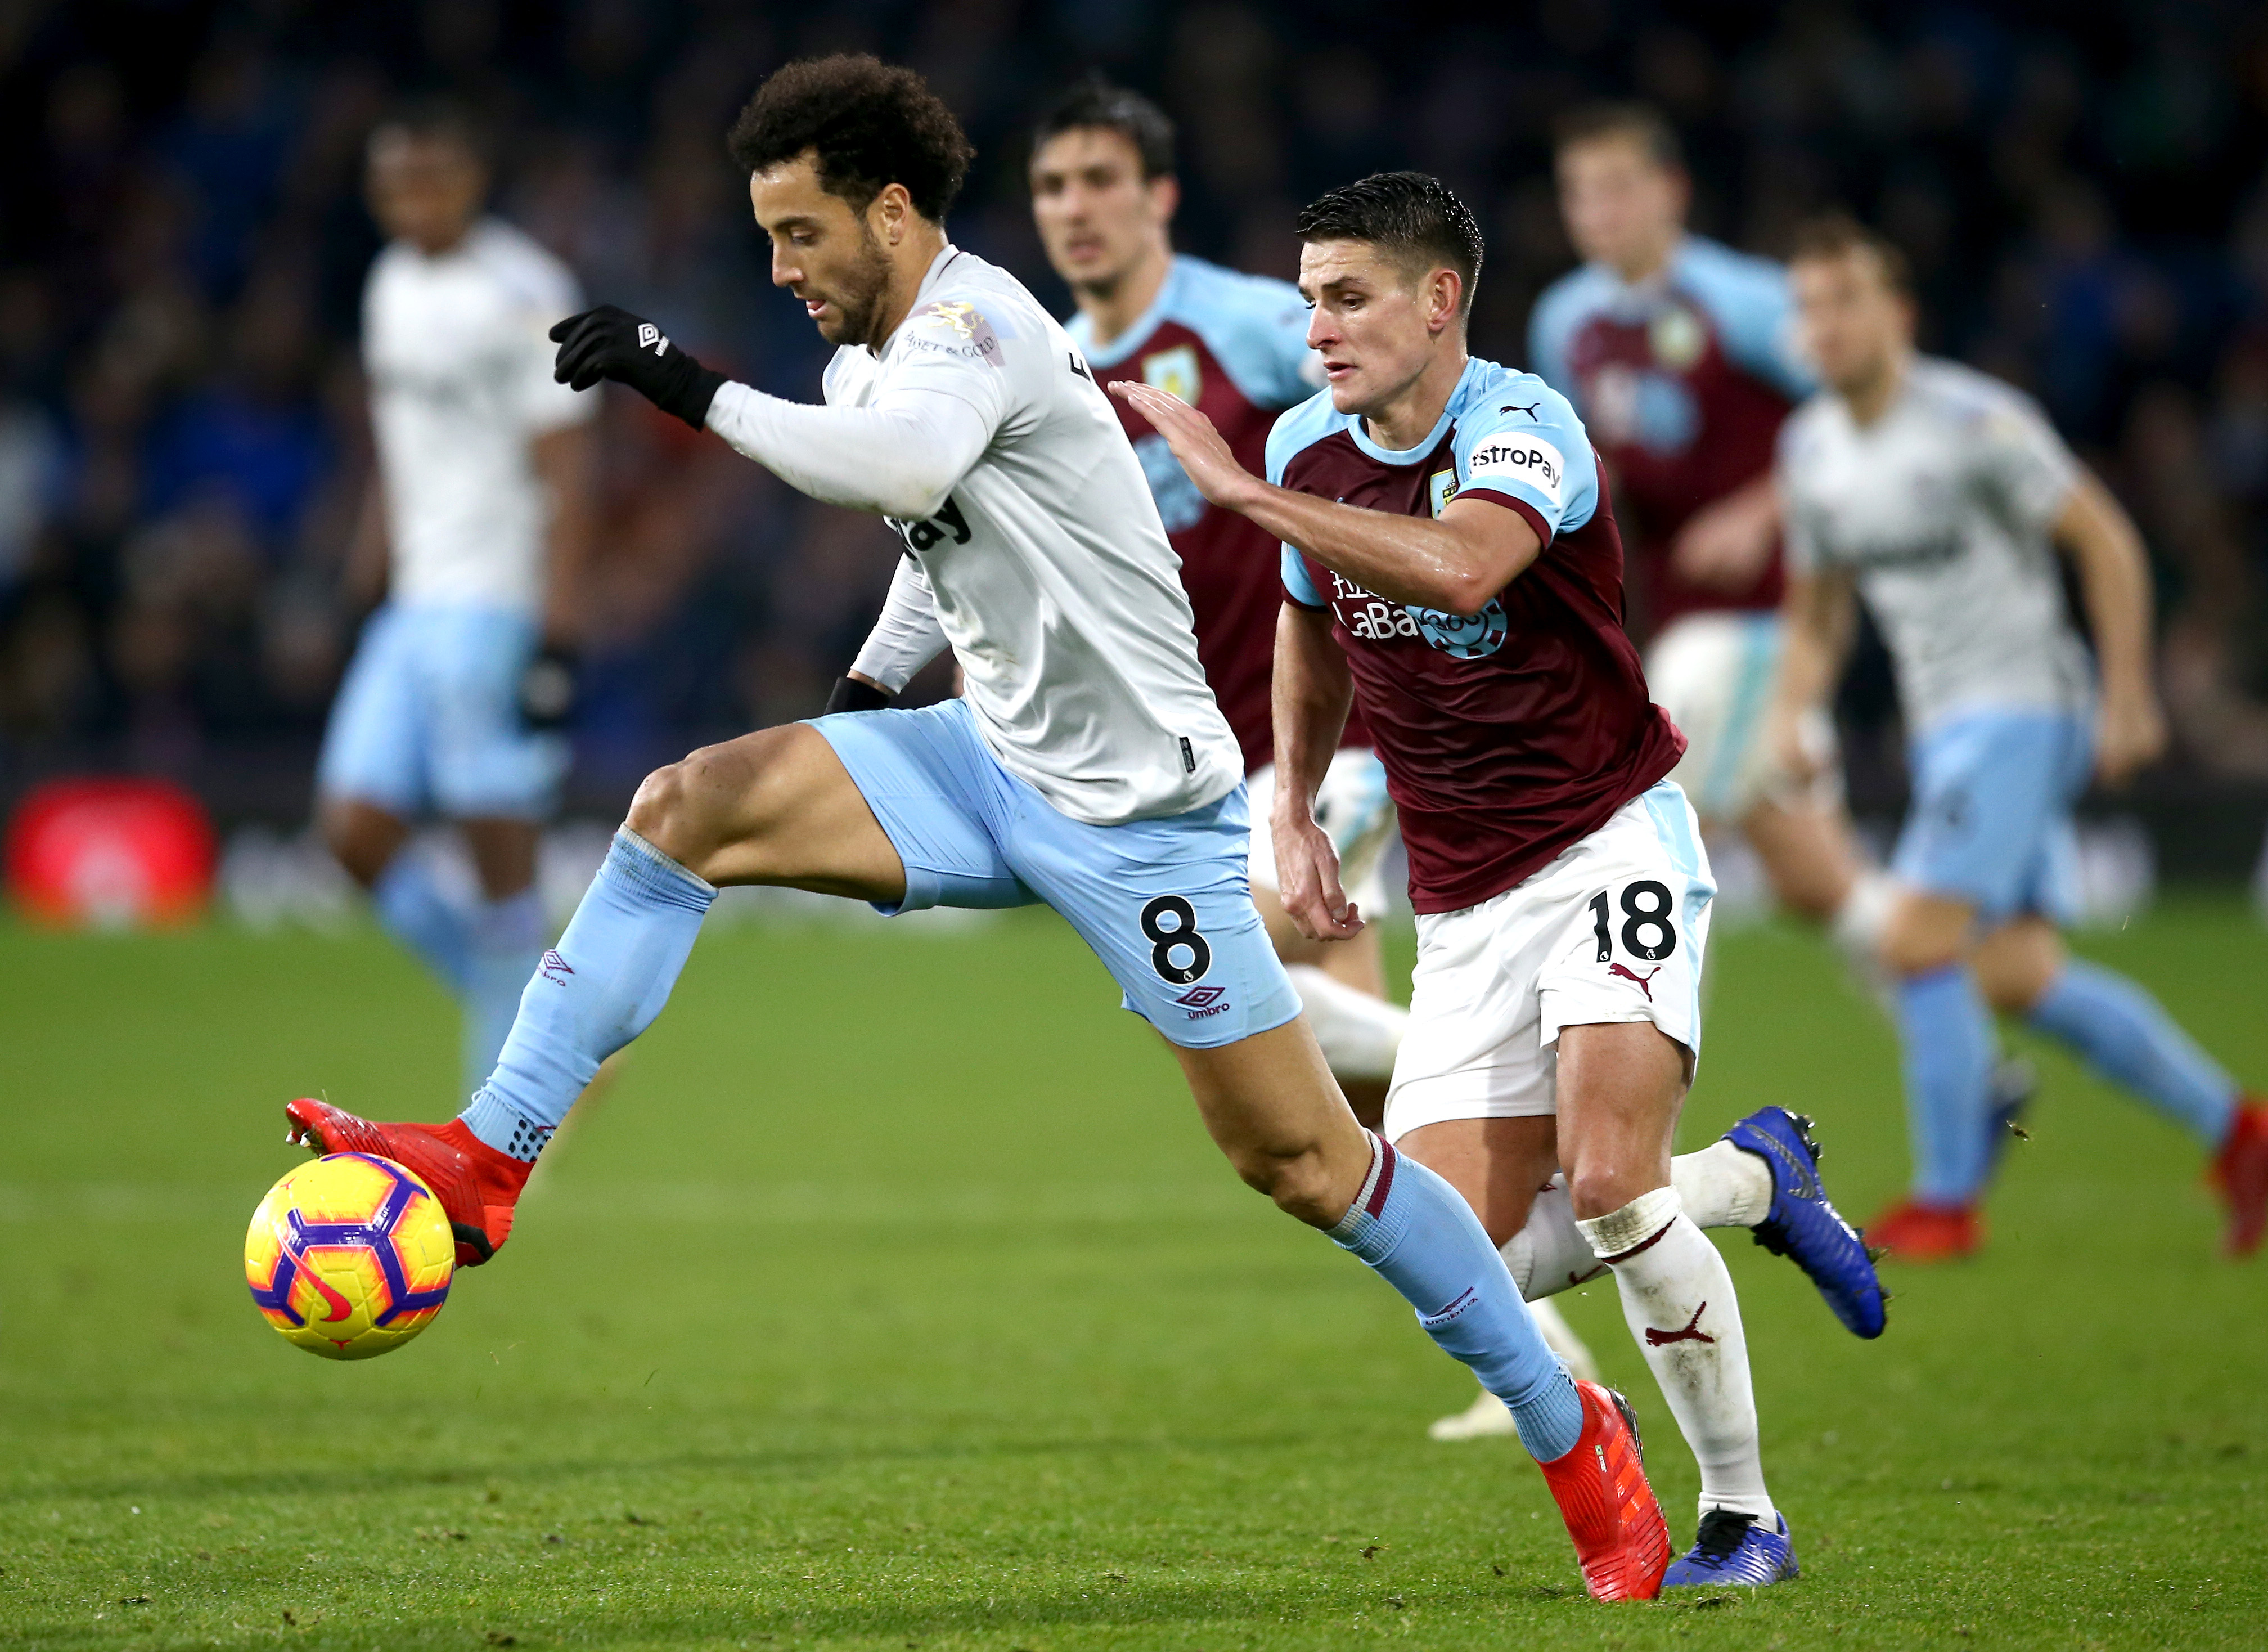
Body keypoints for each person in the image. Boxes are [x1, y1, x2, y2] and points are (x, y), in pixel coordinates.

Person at [280, 56, 1673, 1602]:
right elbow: (932, 529)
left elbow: (907, 467)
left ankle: (1574, 1428)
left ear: (892, 210)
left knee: (1304, 1165)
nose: (782, 269)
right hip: (986, 756)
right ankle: (490, 1160)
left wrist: (682, 379)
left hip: (1143, 820)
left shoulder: (980, 325)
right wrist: (877, 683)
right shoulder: (878, 353)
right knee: (685, 809)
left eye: (803, 235)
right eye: (766, 241)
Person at [1116, 169, 1882, 1591]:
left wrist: (1237, 491)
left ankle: (1742, 1515)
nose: (1321, 329)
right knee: (1457, 1267)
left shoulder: (1526, 425)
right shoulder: (1304, 441)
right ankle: (1756, 1177)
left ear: (1438, 300)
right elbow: (1312, 626)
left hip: (1607, 839)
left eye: (1349, 298)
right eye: (1309, 302)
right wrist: (1291, 796)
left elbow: (1466, 571)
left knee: (1607, 1185)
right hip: (1461, 901)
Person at [1772, 213, 2268, 1261]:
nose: (1825, 323)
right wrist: (1790, 711)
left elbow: (2106, 539)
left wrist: (2130, 693)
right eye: (1808, 305)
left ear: (1897, 313)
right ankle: (2242, 1133)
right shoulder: (1810, 450)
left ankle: (1947, 1203)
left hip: (2025, 705)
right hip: (1945, 727)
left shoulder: (1974, 421)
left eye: (1846, 299)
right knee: (2018, 975)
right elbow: (1819, 609)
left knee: (1914, 941)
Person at [1011, 80, 1408, 1117]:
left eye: (1101, 180)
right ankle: (1517, 1194)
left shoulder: (1248, 325)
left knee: (1204, 967)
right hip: (1195, 770)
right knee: (1352, 1108)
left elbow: (1399, 397)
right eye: (1053, 187)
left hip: (1330, 732)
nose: (1076, 207)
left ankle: (1501, 1074)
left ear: (1160, 197)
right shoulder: (1041, 374)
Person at [1529, 105, 1888, 969]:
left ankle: (1641, 1092)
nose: (1598, 212)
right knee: (1818, 880)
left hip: (1763, 618)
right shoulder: (1564, 322)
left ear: (1671, 192)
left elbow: (1861, 413)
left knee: (1645, 828)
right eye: (1580, 194)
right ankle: (1964, 1036)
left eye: (1618, 188)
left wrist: (1764, 508)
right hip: (1681, 622)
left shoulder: (1747, 301)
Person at [317, 103, 596, 1099]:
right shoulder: (390, 283)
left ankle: (512, 1105)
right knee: (352, 831)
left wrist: (558, 628)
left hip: (495, 599)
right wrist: (365, 571)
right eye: (396, 181)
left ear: (473, 178)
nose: (414, 198)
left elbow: (568, 463)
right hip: (413, 602)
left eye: (433, 177)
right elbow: (400, 448)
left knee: (497, 853)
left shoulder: (523, 290)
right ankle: (540, 1016)